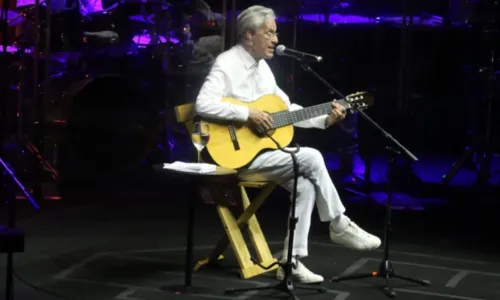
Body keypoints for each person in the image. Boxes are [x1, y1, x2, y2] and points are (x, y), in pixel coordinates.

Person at [194, 5, 381, 284]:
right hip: (230, 157)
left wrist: (326, 118)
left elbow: (287, 110)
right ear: (249, 35)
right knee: (312, 157)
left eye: (275, 33)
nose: (276, 40)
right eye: (269, 33)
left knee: (305, 184)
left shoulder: (264, 69)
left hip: (259, 154)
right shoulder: (227, 63)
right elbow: (203, 103)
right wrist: (248, 113)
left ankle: (291, 262)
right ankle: (339, 223)